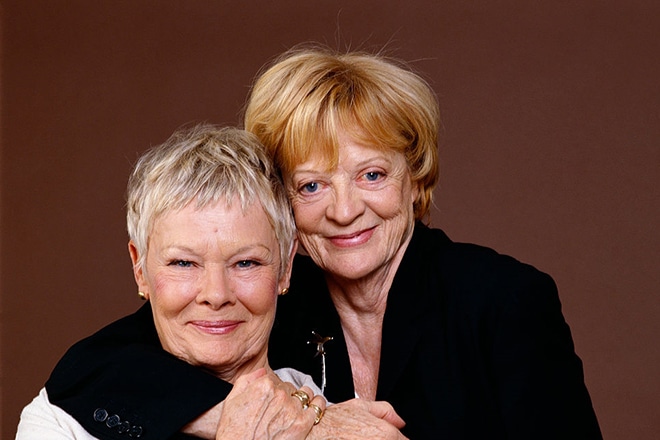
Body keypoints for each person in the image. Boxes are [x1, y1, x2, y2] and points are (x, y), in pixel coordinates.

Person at [31, 46, 603, 439]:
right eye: (311, 185)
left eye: (372, 175)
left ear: (415, 177)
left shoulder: (502, 301)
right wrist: (315, 426)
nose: (345, 209)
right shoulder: (263, 293)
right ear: (281, 201)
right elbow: (92, 373)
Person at [16, 125, 404, 440]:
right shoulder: (60, 422)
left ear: (286, 268)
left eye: (246, 263)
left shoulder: (335, 419)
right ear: (140, 269)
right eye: (183, 263)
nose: (216, 295)